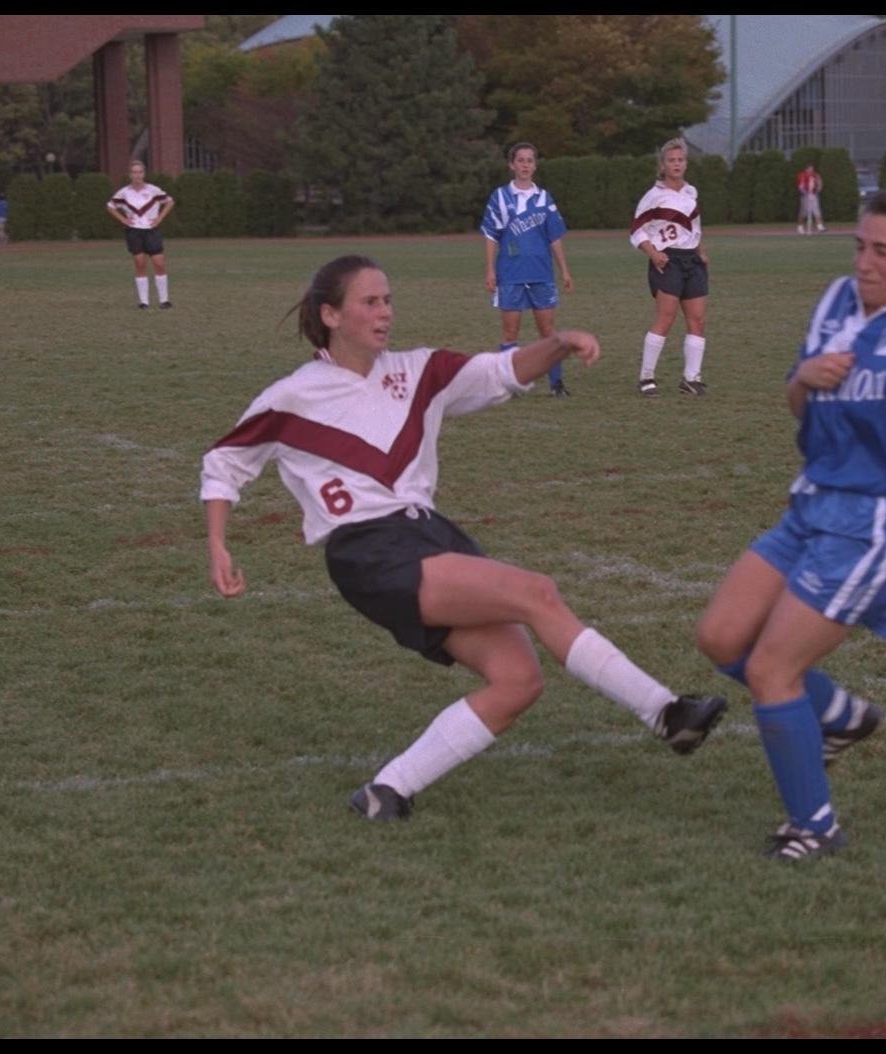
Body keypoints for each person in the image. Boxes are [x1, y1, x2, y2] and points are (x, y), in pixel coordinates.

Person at [200, 255, 727, 821]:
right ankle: (666, 713)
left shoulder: (420, 369)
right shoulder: (293, 395)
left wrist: (558, 343)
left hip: (429, 536)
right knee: (536, 592)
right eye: (369, 302)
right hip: (368, 551)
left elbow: (499, 373)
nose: (385, 313)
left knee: (518, 680)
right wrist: (217, 544)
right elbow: (224, 462)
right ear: (330, 315)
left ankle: (387, 790)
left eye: (388, 300)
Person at [694, 187, 886, 861]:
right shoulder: (837, 301)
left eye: (882, 251)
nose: (864, 262)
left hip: (874, 523)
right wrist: (805, 377)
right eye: (859, 246)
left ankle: (814, 826)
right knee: (721, 635)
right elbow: (798, 403)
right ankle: (841, 717)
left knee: (772, 668)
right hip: (812, 503)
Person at [481, 142, 575, 397]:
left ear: (535, 166)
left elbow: (554, 237)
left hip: (541, 273)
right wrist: (489, 270)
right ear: (511, 165)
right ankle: (509, 386)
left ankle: (557, 384)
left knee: (548, 331)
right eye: (520, 160)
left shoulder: (544, 198)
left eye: (529, 160)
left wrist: (564, 270)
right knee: (510, 332)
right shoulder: (499, 197)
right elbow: (491, 235)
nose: (525, 165)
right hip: (510, 274)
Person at [630, 138, 709, 396]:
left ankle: (691, 379)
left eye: (680, 160)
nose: (676, 164)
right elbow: (637, 231)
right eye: (671, 160)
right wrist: (653, 254)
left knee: (697, 320)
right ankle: (646, 377)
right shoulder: (653, 197)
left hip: (692, 261)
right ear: (662, 165)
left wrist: (700, 251)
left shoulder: (691, 193)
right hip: (667, 260)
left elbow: (693, 228)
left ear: (686, 164)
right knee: (665, 319)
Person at [107, 160, 175, 308]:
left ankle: (164, 300)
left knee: (159, 264)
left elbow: (170, 202)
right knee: (140, 264)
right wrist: (124, 220)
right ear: (130, 175)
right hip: (134, 231)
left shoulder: (153, 190)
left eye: (140, 172)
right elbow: (110, 206)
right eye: (134, 172)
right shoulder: (124, 193)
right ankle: (144, 302)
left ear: (144, 174)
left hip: (151, 230)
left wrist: (159, 218)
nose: (137, 175)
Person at [796, 163, 825, 235]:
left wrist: (817, 191)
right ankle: (800, 227)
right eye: (809, 169)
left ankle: (820, 226)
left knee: (816, 210)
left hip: (813, 195)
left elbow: (819, 183)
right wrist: (805, 193)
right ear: (806, 169)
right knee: (804, 212)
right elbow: (800, 186)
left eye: (812, 169)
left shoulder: (815, 175)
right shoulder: (802, 175)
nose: (811, 170)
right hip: (805, 196)